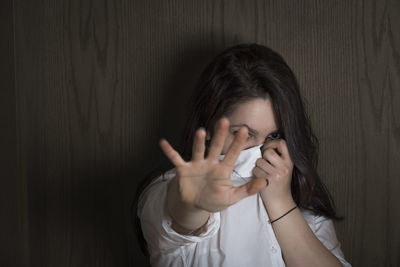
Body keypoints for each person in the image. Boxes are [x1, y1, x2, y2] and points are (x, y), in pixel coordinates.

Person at [135, 43, 351, 267]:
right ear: (208, 125)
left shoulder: (304, 200)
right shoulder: (167, 189)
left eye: (274, 134)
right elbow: (179, 217)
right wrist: (197, 204)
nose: (260, 151)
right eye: (243, 134)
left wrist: (280, 202)